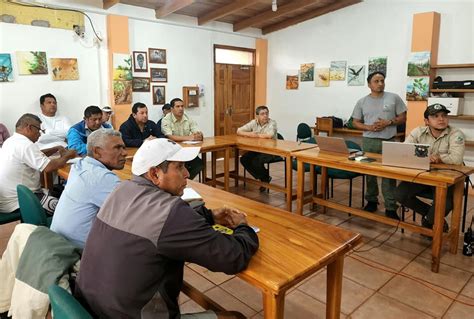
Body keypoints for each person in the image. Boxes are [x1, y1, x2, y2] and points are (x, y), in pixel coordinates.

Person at [75, 138, 258, 318]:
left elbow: (152, 224)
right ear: (155, 174)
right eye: (179, 167)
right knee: (235, 317)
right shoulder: (172, 212)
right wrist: (243, 226)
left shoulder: (120, 191)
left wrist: (210, 216)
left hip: (91, 308)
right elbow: (234, 257)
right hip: (129, 315)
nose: (187, 173)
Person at [50, 129, 127, 248]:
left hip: (60, 241)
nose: (124, 153)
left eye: (123, 147)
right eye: (117, 148)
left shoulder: (81, 165)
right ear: (97, 152)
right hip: (79, 252)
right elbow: (133, 213)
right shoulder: (101, 177)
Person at [394, 103, 465, 231]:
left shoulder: (456, 133)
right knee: (399, 194)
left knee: (445, 204)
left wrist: (439, 157)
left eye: (444, 115)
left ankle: (428, 222)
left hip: (445, 178)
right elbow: (404, 150)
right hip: (423, 175)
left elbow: (457, 159)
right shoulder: (418, 132)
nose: (441, 119)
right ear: (426, 121)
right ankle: (431, 217)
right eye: (435, 116)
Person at [351, 71, 407, 220]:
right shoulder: (362, 101)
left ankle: (390, 206)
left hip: (388, 140)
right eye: (376, 81)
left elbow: (403, 117)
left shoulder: (393, 98)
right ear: (369, 84)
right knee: (370, 173)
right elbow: (355, 122)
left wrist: (389, 122)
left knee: (389, 174)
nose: (380, 83)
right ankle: (371, 201)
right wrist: (369, 127)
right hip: (369, 141)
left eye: (382, 80)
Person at [0, 114, 76, 214]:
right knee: (69, 210)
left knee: (59, 193)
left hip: (10, 198)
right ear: (29, 127)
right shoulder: (25, 145)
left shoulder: (12, 141)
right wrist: (68, 156)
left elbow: (34, 156)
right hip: (19, 201)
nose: (40, 134)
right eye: (38, 130)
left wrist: (54, 149)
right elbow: (48, 167)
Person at [237, 105, 279, 192]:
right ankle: (264, 177)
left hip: (271, 150)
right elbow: (239, 131)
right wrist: (250, 134)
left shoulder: (272, 123)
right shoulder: (254, 122)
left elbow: (269, 135)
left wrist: (255, 135)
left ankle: (264, 179)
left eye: (267, 113)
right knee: (244, 159)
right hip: (258, 149)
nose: (265, 116)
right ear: (257, 116)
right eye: (262, 114)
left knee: (256, 161)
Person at [161, 98, 204, 179]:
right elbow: (170, 136)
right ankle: (181, 182)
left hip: (187, 149)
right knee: (179, 168)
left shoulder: (187, 117)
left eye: (182, 106)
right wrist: (190, 138)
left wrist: (199, 135)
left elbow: (196, 131)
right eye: (177, 106)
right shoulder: (166, 120)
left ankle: (186, 181)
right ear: (171, 109)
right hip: (173, 152)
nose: (181, 108)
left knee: (199, 164)